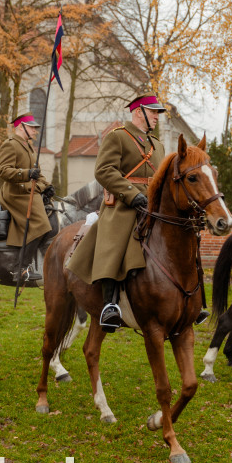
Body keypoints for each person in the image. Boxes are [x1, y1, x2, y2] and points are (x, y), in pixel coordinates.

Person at [67, 94, 167, 332]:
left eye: (157, 113)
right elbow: (104, 171)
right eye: (153, 112)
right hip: (124, 204)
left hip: (153, 206)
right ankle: (109, 305)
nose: (156, 117)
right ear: (138, 111)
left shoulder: (158, 145)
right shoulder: (119, 137)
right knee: (115, 241)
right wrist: (132, 194)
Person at [0, 114, 55, 278]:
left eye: (36, 128)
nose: (35, 131)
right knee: (41, 223)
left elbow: (38, 174)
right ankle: (20, 268)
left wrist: (46, 186)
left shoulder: (28, 147)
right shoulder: (10, 145)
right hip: (15, 194)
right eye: (32, 128)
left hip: (29, 192)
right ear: (21, 127)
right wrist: (26, 173)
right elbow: (2, 171)